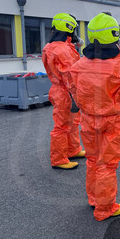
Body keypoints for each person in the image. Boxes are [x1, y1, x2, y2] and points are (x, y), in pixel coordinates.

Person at [67, 12, 120, 221]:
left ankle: (95, 199)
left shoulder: (81, 64)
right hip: (113, 120)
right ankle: (105, 208)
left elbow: (72, 86)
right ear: (114, 35)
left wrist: (76, 104)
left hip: (88, 119)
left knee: (92, 160)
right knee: (107, 165)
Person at [42, 13, 85, 170]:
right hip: (66, 92)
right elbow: (69, 76)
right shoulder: (62, 50)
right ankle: (59, 159)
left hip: (63, 91)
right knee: (62, 126)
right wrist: (75, 97)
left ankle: (73, 150)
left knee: (73, 123)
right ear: (69, 29)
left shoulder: (57, 47)